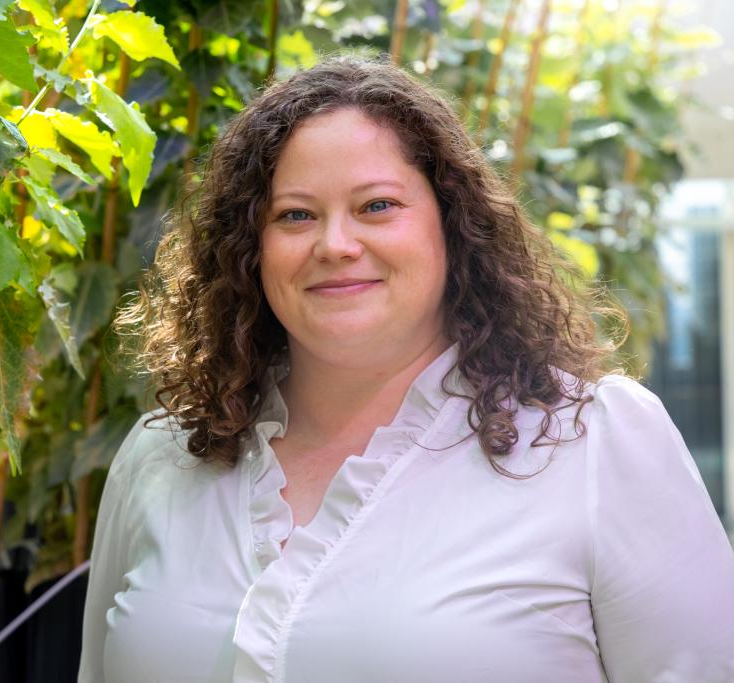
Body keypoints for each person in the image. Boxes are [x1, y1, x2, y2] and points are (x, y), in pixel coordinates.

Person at [78, 55, 734, 682]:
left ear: (451, 227)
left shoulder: (594, 444)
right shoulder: (161, 456)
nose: (335, 244)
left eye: (377, 206)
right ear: (252, 249)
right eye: (295, 214)